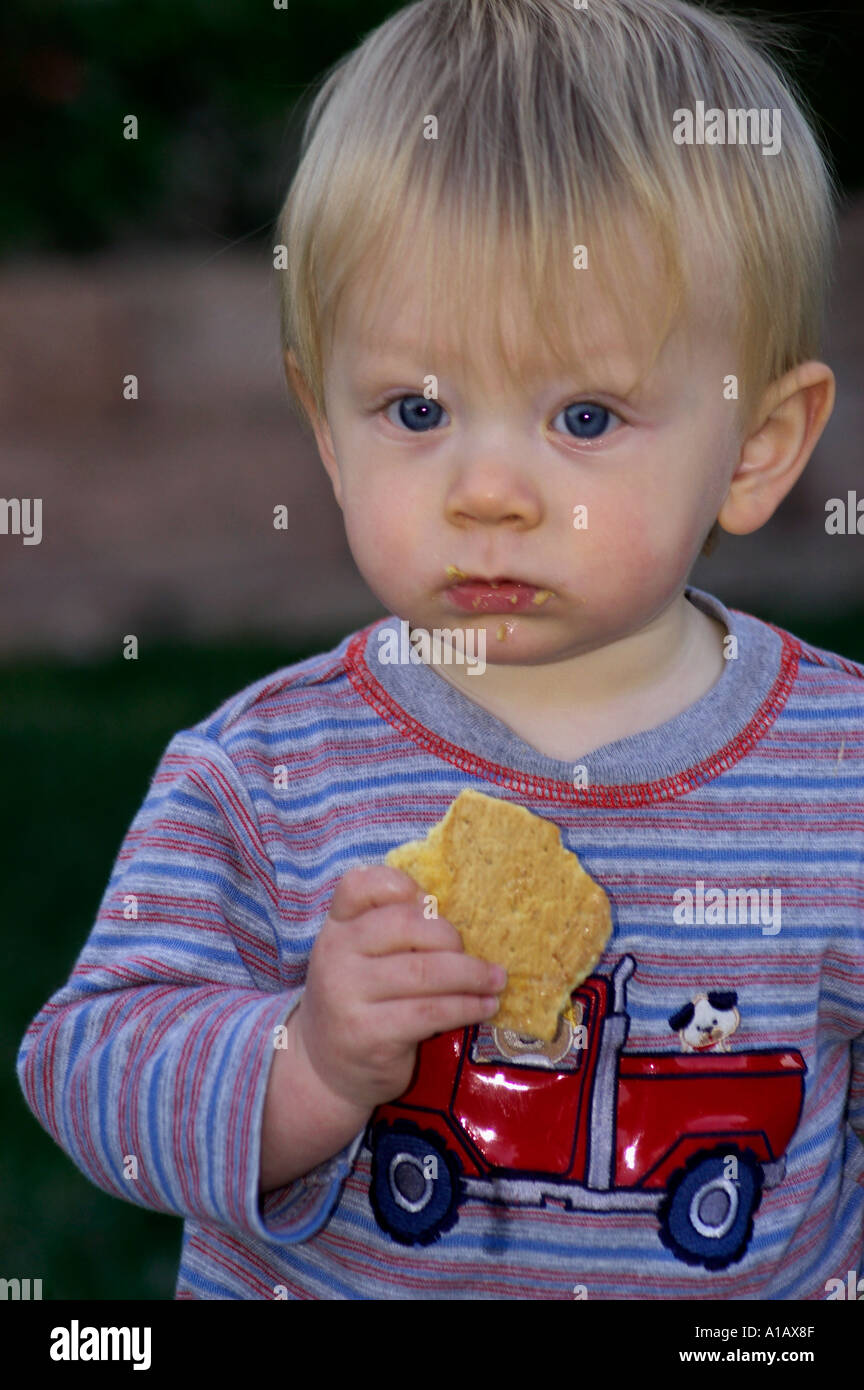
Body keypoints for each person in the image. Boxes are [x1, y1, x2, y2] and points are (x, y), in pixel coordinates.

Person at [17, 0, 863, 1299]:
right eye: (417, 406)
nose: (486, 488)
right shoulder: (263, 772)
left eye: (584, 413)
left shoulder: (839, 773)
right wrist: (304, 1062)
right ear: (324, 423)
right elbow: (85, 1064)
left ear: (758, 446)